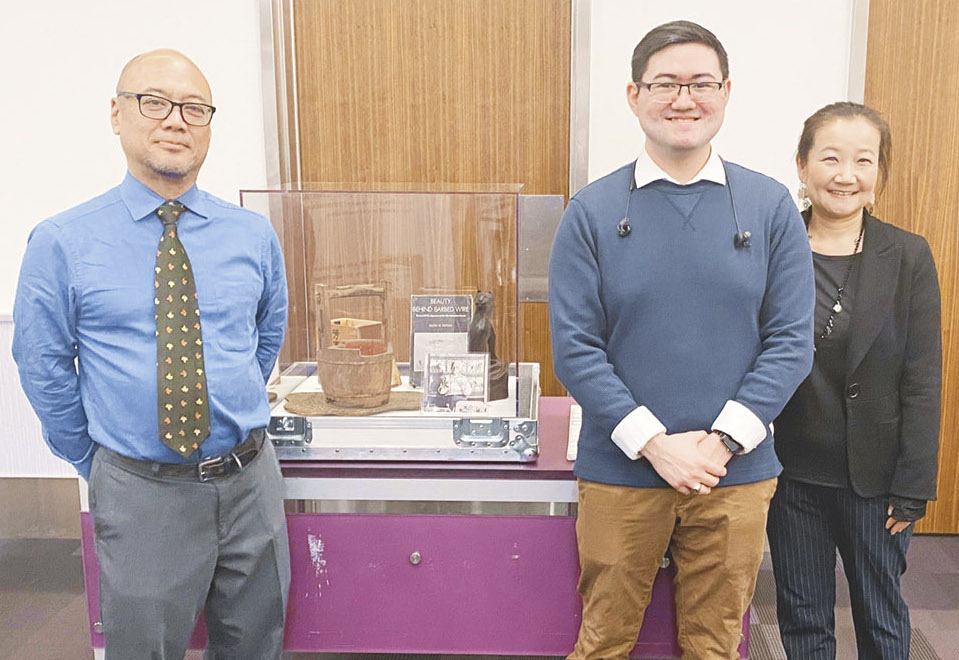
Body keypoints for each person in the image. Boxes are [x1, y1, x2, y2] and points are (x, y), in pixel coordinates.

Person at [548, 20, 815, 659]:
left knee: (716, 643)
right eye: (665, 84)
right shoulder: (590, 211)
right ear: (634, 95)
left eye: (700, 83)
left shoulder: (770, 206)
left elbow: (791, 341)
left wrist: (720, 444)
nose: (683, 99)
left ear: (726, 92)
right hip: (621, 471)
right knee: (603, 639)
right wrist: (655, 445)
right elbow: (576, 349)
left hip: (735, 473)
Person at [12, 50, 290, 659]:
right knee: (146, 649)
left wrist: (231, 403)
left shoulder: (251, 234)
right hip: (142, 490)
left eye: (194, 108)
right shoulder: (63, 240)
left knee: (256, 643)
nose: (176, 121)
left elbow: (264, 337)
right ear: (117, 114)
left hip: (251, 481)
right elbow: (43, 363)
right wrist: (98, 461)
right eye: (155, 102)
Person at [767, 102, 941, 659]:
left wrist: (914, 484)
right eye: (830, 158)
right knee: (802, 618)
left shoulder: (907, 255)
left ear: (879, 171)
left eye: (863, 160)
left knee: (881, 617)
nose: (846, 175)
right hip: (789, 476)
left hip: (876, 482)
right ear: (801, 165)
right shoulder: (771, 248)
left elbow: (922, 379)